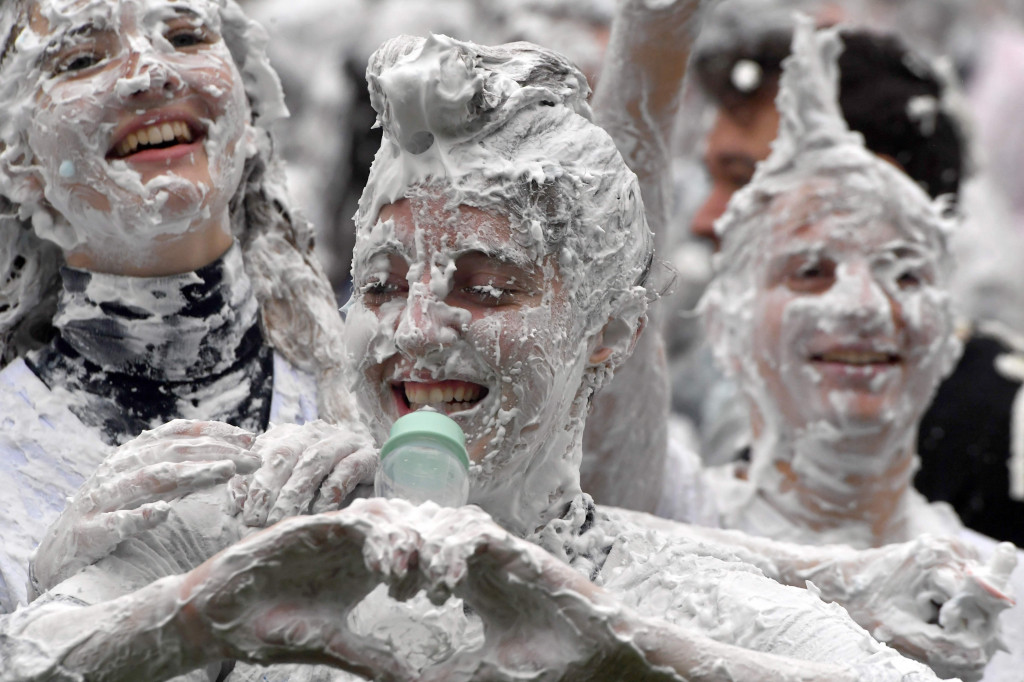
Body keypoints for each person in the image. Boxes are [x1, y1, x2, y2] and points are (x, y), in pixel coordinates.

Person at [0, 28, 1002, 682]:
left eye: (486, 285)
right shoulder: (267, 528)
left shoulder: (662, 593)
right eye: (384, 281)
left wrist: (604, 641)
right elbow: (32, 651)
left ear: (607, 332)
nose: (417, 328)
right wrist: (215, 607)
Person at [0, 0, 359, 613]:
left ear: (248, 110)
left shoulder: (370, 395)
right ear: (19, 164)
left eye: (186, 36)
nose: (151, 73)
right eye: (82, 59)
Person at [697, 18, 1023, 680]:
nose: (706, 217)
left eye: (741, 179)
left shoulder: (1006, 434)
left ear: (872, 188)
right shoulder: (713, 490)